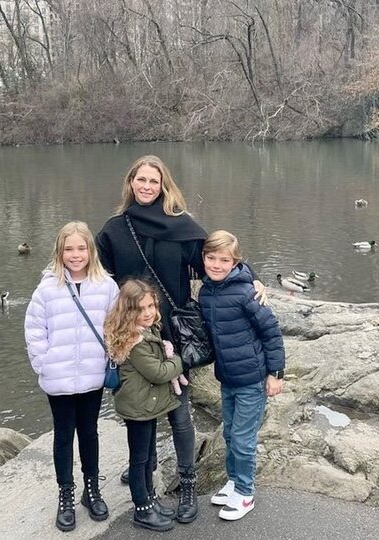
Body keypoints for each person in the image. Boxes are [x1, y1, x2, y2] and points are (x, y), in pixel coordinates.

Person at [96, 155, 265, 523]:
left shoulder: (180, 225)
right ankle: (145, 468)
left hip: (174, 331)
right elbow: (99, 278)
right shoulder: (113, 230)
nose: (146, 187)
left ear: (163, 185)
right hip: (134, 333)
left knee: (179, 411)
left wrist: (250, 276)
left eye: (153, 181)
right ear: (130, 183)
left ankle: (188, 486)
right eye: (140, 180)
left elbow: (215, 259)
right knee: (139, 405)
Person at [24, 221, 119, 532]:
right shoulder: (46, 290)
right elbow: (35, 331)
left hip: (91, 374)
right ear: (59, 252)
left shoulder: (106, 286)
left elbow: (115, 325)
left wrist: (110, 356)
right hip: (59, 376)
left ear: (90, 251)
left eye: (81, 248)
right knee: (63, 435)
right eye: (69, 249)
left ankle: (91, 490)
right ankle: (65, 494)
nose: (75, 255)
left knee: (89, 432)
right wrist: (44, 364)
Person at [198, 230, 285, 521]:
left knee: (243, 438)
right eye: (211, 258)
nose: (217, 265)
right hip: (227, 378)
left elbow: (271, 332)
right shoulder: (206, 291)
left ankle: (246, 493)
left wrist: (276, 373)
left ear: (235, 262)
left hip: (251, 378)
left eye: (224, 260)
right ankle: (234, 481)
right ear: (204, 259)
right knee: (228, 432)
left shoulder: (247, 293)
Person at [105, 280, 184, 532]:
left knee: (149, 456)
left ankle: (150, 499)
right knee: (139, 460)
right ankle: (141, 508)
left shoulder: (147, 331)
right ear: (128, 311)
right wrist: (180, 362)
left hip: (145, 405)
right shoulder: (135, 342)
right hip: (138, 408)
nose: (148, 312)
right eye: (140, 308)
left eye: (151, 305)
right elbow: (159, 373)